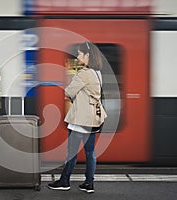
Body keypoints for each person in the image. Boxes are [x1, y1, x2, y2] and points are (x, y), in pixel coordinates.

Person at [48, 42, 107, 193]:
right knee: (90, 152)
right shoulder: (97, 72)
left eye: (80, 54)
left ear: (87, 56)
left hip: (81, 119)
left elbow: (68, 91)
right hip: (93, 117)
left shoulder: (84, 73)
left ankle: (64, 181)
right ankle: (89, 183)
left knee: (72, 152)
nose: (78, 56)